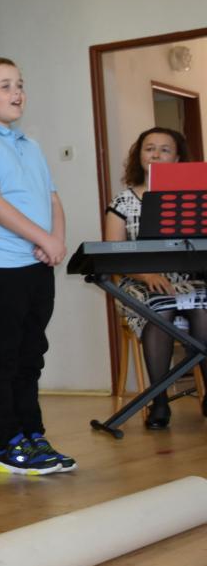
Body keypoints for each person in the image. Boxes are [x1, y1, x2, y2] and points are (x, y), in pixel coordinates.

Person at [0, 56, 73, 474]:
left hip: (37, 263)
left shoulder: (29, 144)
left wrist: (55, 241)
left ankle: (33, 434)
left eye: (19, 84)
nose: (17, 93)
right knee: (0, 358)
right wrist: (43, 238)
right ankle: (6, 443)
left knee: (30, 355)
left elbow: (53, 199)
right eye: (5, 86)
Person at [103, 127, 207, 428]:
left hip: (186, 279)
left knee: (203, 307)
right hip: (138, 280)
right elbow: (113, 254)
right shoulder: (123, 201)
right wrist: (147, 274)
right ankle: (159, 401)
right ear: (139, 155)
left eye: (165, 149)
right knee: (161, 310)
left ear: (177, 159)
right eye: (149, 148)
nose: (156, 155)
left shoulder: (194, 200)